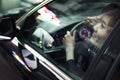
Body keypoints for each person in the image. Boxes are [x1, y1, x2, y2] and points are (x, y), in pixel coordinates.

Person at [62, 3, 120, 76]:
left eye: (102, 25)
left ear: (115, 36)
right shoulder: (108, 54)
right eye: (100, 22)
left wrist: (69, 50)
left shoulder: (107, 64)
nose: (95, 27)